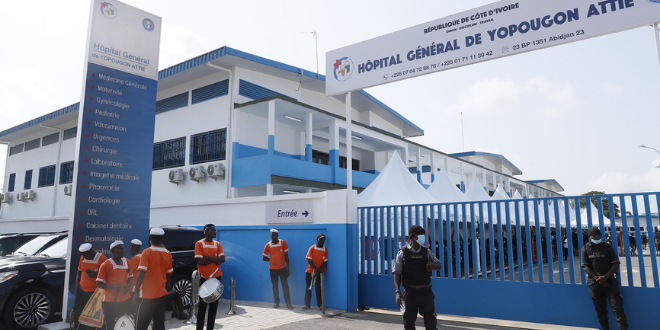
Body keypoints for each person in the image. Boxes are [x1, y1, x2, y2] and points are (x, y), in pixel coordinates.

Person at [393, 225, 442, 330]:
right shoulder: (402, 253)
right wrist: (398, 293)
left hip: (426, 293)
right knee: (408, 323)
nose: (422, 237)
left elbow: (439, 265)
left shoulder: (426, 252)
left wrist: (433, 266)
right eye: (420, 235)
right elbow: (397, 274)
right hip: (409, 294)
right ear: (413, 237)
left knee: (431, 323)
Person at [581, 226, 629, 330]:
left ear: (601, 236)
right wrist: (597, 278)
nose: (596, 237)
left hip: (610, 281)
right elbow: (585, 266)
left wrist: (605, 277)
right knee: (600, 309)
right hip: (594, 283)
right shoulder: (585, 248)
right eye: (594, 235)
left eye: (598, 235)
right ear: (590, 236)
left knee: (618, 308)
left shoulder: (607, 247)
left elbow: (616, 264)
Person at [133, 228, 173, 330]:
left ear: (150, 238)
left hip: (147, 295)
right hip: (161, 294)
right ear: (161, 238)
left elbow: (141, 273)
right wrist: (166, 289)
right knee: (159, 324)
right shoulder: (168, 253)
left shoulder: (147, 252)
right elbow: (169, 275)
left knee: (141, 325)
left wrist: (136, 291)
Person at [194, 224, 226, 330]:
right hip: (205, 278)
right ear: (207, 232)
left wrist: (208, 257)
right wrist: (214, 259)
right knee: (202, 306)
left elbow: (222, 259)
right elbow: (200, 261)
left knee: (214, 306)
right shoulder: (199, 244)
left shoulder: (217, 244)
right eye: (213, 230)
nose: (215, 232)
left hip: (217, 277)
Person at [97, 241, 133, 330]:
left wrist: (128, 286)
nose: (122, 251)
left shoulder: (127, 261)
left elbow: (131, 277)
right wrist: (113, 288)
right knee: (111, 324)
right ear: (112, 251)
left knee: (126, 323)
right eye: (119, 249)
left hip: (125, 298)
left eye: (123, 249)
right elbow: (99, 283)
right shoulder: (105, 265)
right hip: (110, 301)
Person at [72, 243, 108, 330]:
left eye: (86, 254)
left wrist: (95, 275)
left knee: (92, 315)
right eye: (83, 255)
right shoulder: (82, 258)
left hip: (95, 292)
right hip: (82, 290)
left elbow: (106, 274)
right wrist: (77, 284)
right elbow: (79, 271)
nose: (84, 256)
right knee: (77, 311)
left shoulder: (102, 258)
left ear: (91, 251)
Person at [262, 228, 293, 309]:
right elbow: (264, 258)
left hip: (282, 268)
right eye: (273, 235)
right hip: (272, 269)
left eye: (275, 235)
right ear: (270, 236)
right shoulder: (268, 245)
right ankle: (276, 302)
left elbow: (286, 257)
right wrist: (272, 259)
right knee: (275, 286)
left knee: (285, 286)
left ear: (277, 235)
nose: (274, 236)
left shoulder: (283, 243)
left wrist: (288, 269)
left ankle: (288, 303)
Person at [301, 233, 327, 311]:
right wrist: (316, 269)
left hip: (319, 272)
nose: (322, 241)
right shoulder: (312, 248)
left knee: (318, 288)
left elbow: (325, 262)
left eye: (323, 239)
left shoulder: (324, 249)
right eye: (321, 239)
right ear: (317, 239)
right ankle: (307, 304)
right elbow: (309, 260)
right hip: (310, 271)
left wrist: (319, 271)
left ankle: (320, 305)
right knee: (308, 288)